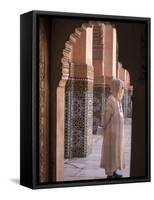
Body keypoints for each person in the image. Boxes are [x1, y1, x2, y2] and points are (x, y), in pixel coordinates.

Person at [100, 79, 125, 178]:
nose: (122, 90)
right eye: (121, 87)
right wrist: (104, 126)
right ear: (117, 87)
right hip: (111, 134)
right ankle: (109, 174)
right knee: (110, 153)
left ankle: (114, 171)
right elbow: (107, 117)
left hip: (117, 134)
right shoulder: (111, 100)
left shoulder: (118, 100)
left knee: (115, 152)